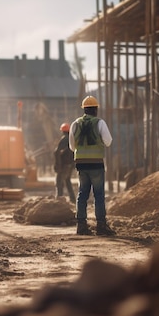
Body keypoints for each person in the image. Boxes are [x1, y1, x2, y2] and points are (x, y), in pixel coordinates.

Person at [69, 95, 115, 236]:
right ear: (96, 109)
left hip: (81, 164)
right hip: (96, 164)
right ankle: (101, 226)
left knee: (82, 193)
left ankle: (81, 226)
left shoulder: (75, 124)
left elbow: (72, 146)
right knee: (99, 194)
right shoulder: (99, 123)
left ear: (84, 110)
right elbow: (108, 141)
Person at [54, 122, 76, 202]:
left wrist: (57, 165)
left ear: (62, 131)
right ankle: (72, 198)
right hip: (70, 164)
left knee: (59, 182)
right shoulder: (71, 140)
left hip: (64, 165)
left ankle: (59, 200)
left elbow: (58, 152)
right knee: (67, 181)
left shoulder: (64, 140)